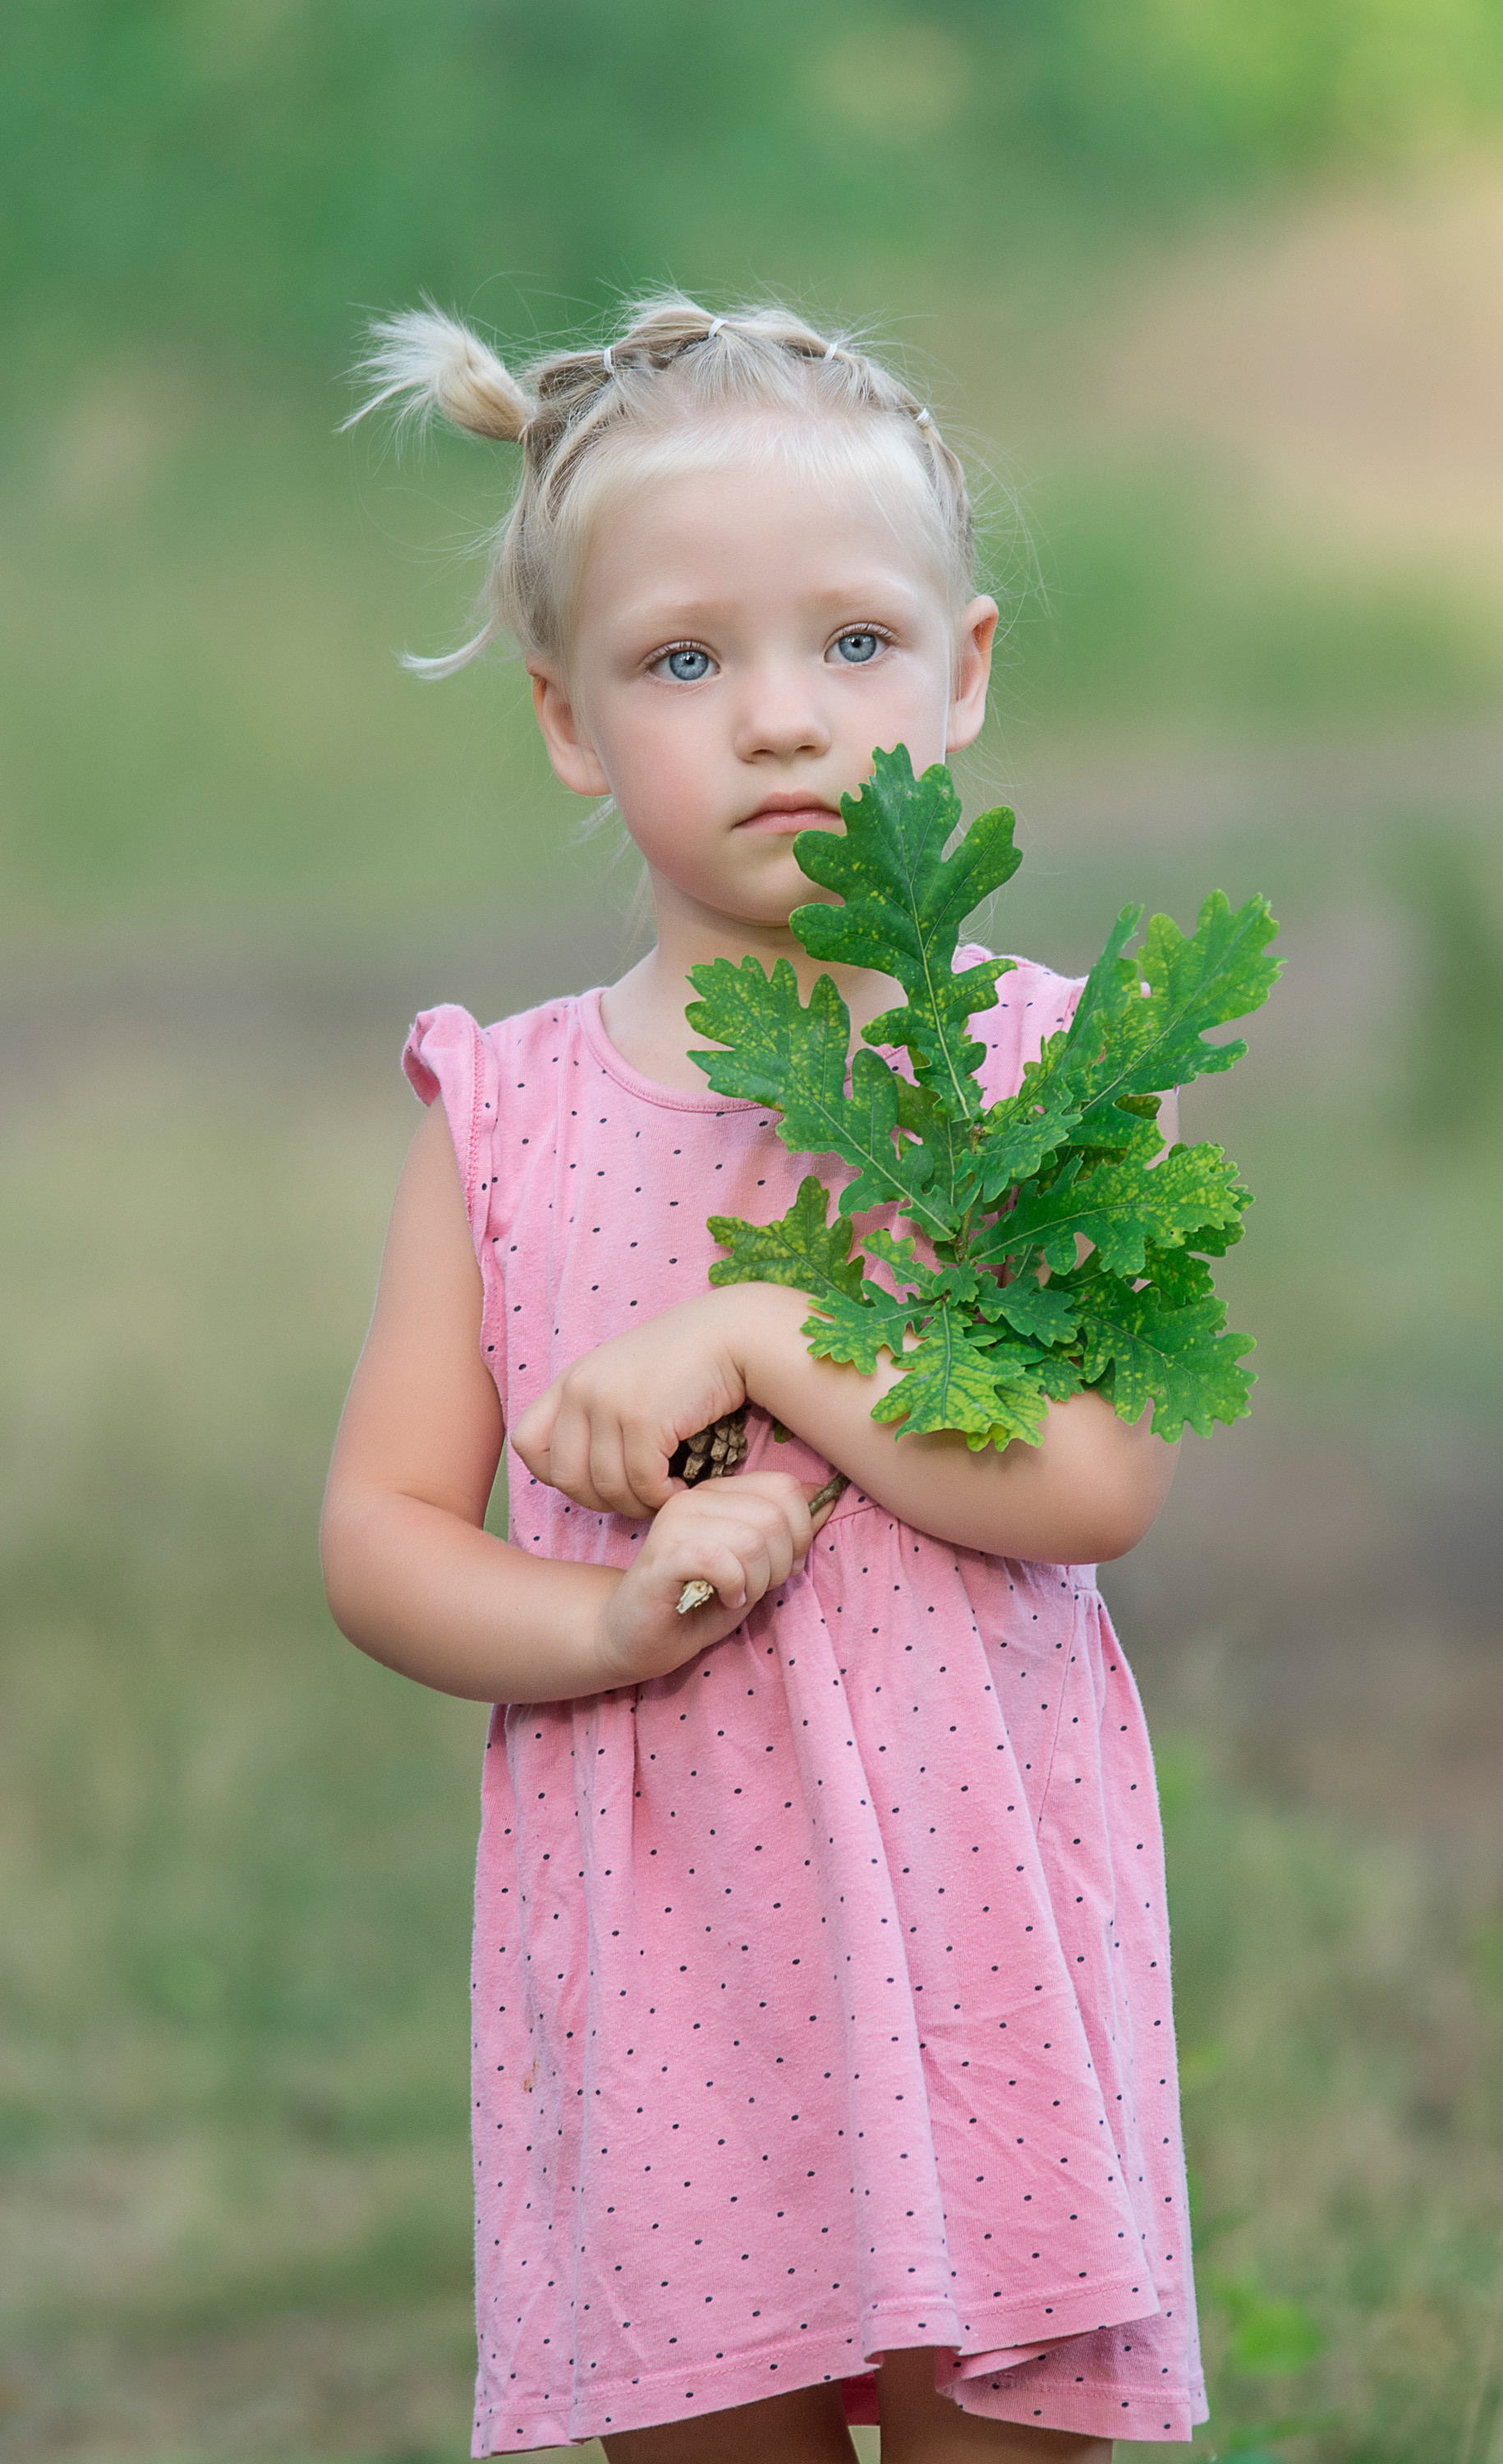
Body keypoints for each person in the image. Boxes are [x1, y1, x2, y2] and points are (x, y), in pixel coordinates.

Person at [322, 295, 1205, 2462]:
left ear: (969, 670)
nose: (784, 722)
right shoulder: (509, 1115)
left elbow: (1089, 1481)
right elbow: (381, 1535)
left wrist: (756, 1335)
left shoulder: (1048, 1066)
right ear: (567, 717)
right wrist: (603, 1617)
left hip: (976, 1939)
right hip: (670, 1966)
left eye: (857, 646)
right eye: (686, 662)